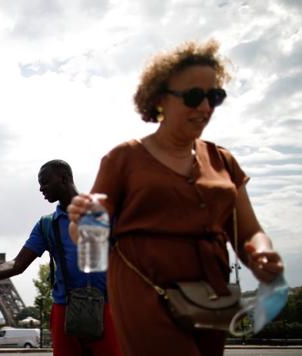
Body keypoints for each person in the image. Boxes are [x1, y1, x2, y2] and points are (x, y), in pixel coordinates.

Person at [67, 40, 285, 356]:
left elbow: (249, 231)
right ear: (159, 100)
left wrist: (262, 254)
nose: (206, 107)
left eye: (215, 97)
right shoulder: (123, 159)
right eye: (194, 96)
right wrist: (80, 219)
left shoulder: (223, 160)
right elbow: (88, 231)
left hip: (212, 293)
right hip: (146, 291)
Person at [0, 160, 120, 356]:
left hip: (106, 305)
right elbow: (17, 264)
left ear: (64, 178)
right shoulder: (46, 224)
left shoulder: (106, 213)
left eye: (45, 182)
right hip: (66, 309)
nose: (41, 188)